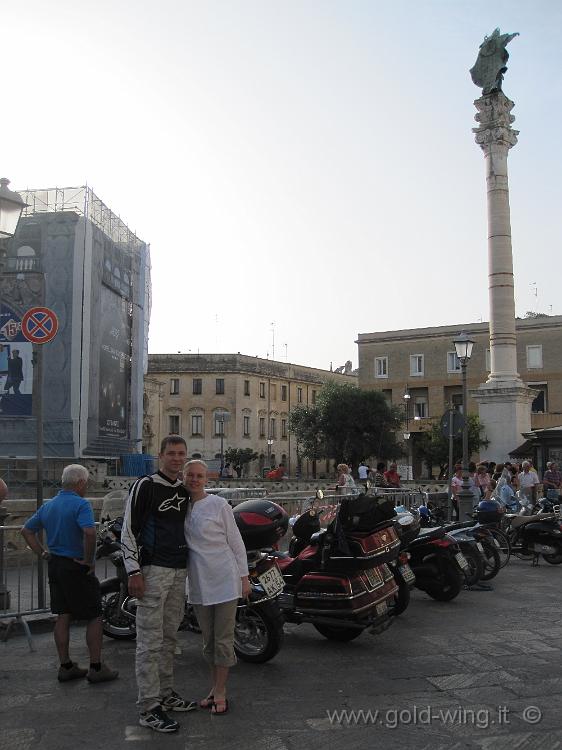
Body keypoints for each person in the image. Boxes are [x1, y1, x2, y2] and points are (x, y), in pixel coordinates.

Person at [120, 435, 196, 734]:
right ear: (160, 455)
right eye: (172, 453)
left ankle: (166, 694)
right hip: (152, 572)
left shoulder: (184, 490)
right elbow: (128, 530)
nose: (177, 459)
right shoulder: (145, 486)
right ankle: (149, 706)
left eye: (181, 454)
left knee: (169, 639)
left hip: (178, 572)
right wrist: (133, 571)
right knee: (149, 642)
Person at [20, 464, 118, 684]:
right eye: (87, 483)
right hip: (76, 566)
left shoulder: (49, 506)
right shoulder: (81, 504)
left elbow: (26, 530)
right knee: (94, 615)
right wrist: (89, 559)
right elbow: (90, 532)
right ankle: (96, 667)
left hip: (55, 564)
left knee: (62, 615)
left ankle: (65, 666)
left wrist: (43, 553)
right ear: (81, 482)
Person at [183, 459, 250, 716]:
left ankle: (221, 691)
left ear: (206, 479)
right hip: (199, 583)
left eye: (199, 476)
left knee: (222, 640)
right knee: (208, 641)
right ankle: (214, 687)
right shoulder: (181, 507)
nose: (195, 480)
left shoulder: (219, 505)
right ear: (184, 477)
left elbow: (236, 542)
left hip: (224, 581)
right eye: (191, 475)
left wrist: (244, 578)